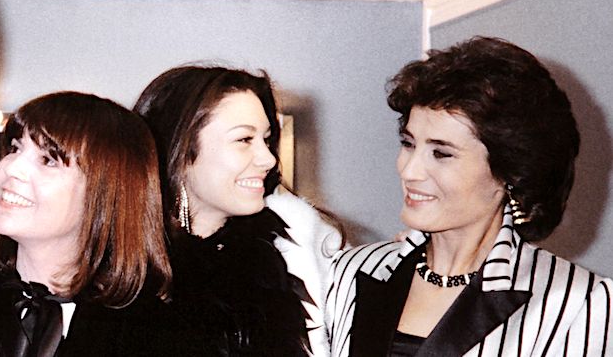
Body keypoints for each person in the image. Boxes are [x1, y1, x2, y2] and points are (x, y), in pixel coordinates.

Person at [325, 37, 613, 356]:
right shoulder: (352, 270)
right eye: (408, 143)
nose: (409, 170)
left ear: (510, 172)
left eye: (441, 153)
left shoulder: (577, 302)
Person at [135, 65, 343, 356]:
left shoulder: (300, 254)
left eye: (266, 139)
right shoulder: (123, 271)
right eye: (244, 140)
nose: (268, 159)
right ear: (181, 152)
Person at [0, 91, 180, 356]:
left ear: (104, 194)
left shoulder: (155, 334)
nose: (11, 168)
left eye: (48, 160)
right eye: (15, 148)